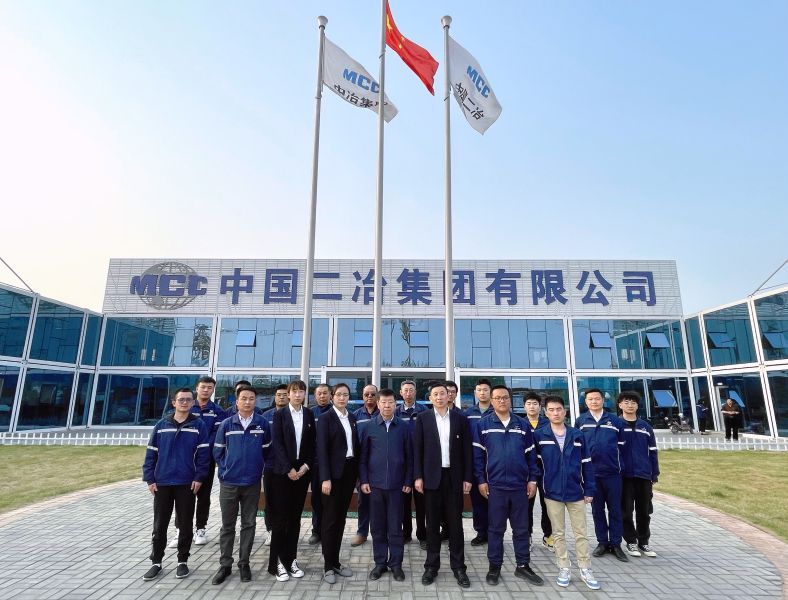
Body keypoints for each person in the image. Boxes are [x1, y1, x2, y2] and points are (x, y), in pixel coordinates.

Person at [472, 385, 544, 586]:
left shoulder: (522, 425)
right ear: (491, 401)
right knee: (495, 529)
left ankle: (523, 565)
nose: (501, 401)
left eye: (505, 397)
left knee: (521, 529)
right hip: (495, 487)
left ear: (510, 400)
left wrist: (532, 480)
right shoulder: (483, 425)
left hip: (520, 486)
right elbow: (478, 456)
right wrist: (481, 480)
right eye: (497, 398)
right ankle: (494, 566)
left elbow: (531, 455)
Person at [142, 388, 210, 581]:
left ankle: (182, 561)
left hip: (186, 483)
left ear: (193, 403)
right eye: (181, 399)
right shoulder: (161, 425)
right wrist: (149, 478)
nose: (185, 402)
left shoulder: (198, 425)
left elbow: (204, 455)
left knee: (186, 524)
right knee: (159, 525)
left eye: (188, 399)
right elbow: (151, 453)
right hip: (162, 483)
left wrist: (199, 477)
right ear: (174, 402)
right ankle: (156, 562)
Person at [534, 395, 600, 591]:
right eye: (551, 410)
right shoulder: (540, 435)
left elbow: (587, 464)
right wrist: (542, 485)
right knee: (558, 533)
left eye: (559, 409)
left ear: (565, 412)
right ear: (546, 413)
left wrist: (589, 489)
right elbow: (535, 466)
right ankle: (564, 567)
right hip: (552, 492)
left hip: (576, 491)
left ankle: (585, 568)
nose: (555, 413)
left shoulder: (577, 435)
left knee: (581, 533)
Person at [413, 382, 473, 588]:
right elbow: (417, 449)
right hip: (431, 478)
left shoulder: (460, 419)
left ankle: (459, 567)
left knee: (455, 525)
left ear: (450, 396)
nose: (439, 397)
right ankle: (431, 566)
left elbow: (467, 451)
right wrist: (418, 476)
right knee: (432, 525)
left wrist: (467, 477)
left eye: (443, 393)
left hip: (454, 478)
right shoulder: (422, 418)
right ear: (430, 398)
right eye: (435, 394)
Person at [211, 385, 272, 584]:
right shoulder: (227, 424)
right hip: (229, 483)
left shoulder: (262, 423)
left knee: (249, 524)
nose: (247, 402)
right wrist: (226, 469)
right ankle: (225, 564)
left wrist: (258, 468)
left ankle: (244, 563)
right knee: (227, 525)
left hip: (252, 483)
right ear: (236, 402)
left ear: (255, 401)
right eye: (243, 398)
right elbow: (217, 452)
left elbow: (267, 450)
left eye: (251, 398)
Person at [359, 388, 413, 582]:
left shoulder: (404, 427)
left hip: (397, 486)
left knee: (395, 527)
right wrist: (364, 480)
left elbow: (410, 456)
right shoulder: (369, 427)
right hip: (375, 486)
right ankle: (380, 563)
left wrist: (408, 480)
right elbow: (363, 457)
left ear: (395, 404)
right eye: (383, 402)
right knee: (378, 527)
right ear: (378, 404)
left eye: (390, 402)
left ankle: (396, 564)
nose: (387, 406)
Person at [268, 380, 316, 582]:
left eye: (301, 391)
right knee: (280, 520)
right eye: (294, 391)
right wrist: (289, 469)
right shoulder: (279, 415)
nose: (297, 394)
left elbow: (312, 444)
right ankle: (276, 563)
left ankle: (291, 559)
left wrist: (305, 466)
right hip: (283, 473)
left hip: (302, 473)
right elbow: (277, 444)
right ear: (288, 394)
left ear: (305, 394)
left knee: (295, 518)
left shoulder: (309, 414)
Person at [574, 388, 629, 562]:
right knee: (597, 510)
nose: (594, 402)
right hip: (592, 475)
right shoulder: (581, 421)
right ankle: (602, 542)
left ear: (603, 400)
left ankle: (616, 544)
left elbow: (623, 447)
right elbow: (577, 447)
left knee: (615, 509)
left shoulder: (615, 421)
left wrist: (621, 467)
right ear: (586, 402)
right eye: (590, 399)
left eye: (597, 399)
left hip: (613, 473)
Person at [171, 376, 224, 548]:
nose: (206, 390)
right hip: (185, 461)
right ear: (197, 388)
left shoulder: (217, 411)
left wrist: (202, 447)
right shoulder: (186, 407)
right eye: (203, 387)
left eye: (210, 387)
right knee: (183, 496)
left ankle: (200, 528)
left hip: (205, 460)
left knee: (203, 496)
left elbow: (216, 435)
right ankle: (180, 529)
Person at [317, 383, 360, 584]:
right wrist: (325, 478)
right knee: (330, 520)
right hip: (332, 477)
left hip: (348, 473)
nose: (342, 398)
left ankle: (336, 561)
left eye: (346, 395)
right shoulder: (326, 418)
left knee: (341, 518)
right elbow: (322, 450)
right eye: (339, 395)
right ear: (332, 397)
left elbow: (355, 447)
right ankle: (328, 565)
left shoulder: (351, 418)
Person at [617, 391, 660, 558]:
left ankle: (644, 541)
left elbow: (653, 451)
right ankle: (631, 541)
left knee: (644, 511)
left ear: (637, 405)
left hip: (643, 475)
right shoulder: (616, 425)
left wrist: (654, 473)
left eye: (633, 402)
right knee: (626, 511)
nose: (630, 405)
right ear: (620, 405)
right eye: (626, 402)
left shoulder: (645, 427)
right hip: (624, 475)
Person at [394, 379, 428, 548]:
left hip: (421, 462)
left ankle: (422, 535)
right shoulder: (395, 412)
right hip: (402, 463)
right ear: (401, 393)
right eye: (405, 390)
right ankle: (405, 533)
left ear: (415, 392)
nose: (408, 393)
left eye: (411, 390)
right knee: (403, 502)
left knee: (422, 503)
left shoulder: (424, 411)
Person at [523, 391, 553, 552]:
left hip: (546, 469)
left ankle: (548, 536)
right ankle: (526, 535)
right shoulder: (520, 424)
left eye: (535, 404)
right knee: (526, 505)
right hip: (527, 471)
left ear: (540, 407)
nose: (532, 406)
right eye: (529, 404)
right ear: (524, 406)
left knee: (547, 504)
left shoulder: (548, 423)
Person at [464, 378, 493, 547]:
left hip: (494, 462)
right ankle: (481, 532)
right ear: (475, 393)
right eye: (479, 390)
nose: (482, 393)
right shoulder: (469, 413)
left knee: (494, 501)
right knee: (477, 500)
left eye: (485, 390)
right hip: (476, 462)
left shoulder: (496, 411)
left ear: (490, 392)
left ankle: (494, 532)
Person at [261, 384, 289, 545]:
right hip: (270, 465)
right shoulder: (266, 416)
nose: (282, 397)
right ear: (275, 397)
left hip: (289, 466)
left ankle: (286, 530)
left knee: (287, 499)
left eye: (285, 394)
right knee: (270, 500)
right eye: (279, 394)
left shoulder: (295, 415)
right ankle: (271, 529)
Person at [352, 383, 379, 547]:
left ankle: (380, 532)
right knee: (363, 501)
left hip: (381, 464)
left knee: (381, 500)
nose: (369, 397)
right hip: (362, 465)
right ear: (362, 396)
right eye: (366, 394)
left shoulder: (384, 413)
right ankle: (362, 532)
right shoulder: (355, 415)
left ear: (377, 396)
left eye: (372, 394)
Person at [309, 383, 333, 546]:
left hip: (334, 463)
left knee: (331, 500)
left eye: (325, 393)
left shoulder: (337, 412)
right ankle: (316, 531)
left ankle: (329, 531)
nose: (322, 396)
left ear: (331, 395)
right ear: (315, 396)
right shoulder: (310, 413)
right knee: (316, 499)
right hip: (316, 463)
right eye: (319, 393)